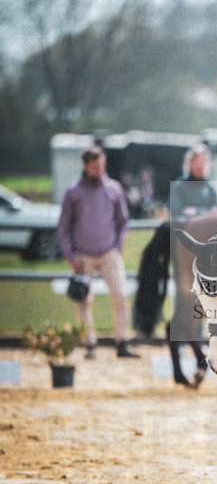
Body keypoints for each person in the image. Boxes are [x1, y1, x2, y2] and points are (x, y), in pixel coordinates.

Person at [57, 145, 139, 360]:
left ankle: (122, 342)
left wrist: (118, 245)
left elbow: (123, 221)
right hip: (82, 257)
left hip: (109, 253)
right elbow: (63, 226)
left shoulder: (114, 189)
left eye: (102, 165)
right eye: (95, 166)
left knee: (121, 295)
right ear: (85, 165)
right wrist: (70, 255)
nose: (99, 169)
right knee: (82, 301)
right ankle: (89, 344)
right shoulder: (73, 191)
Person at [170, 145, 217, 220]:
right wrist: (207, 212)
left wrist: (196, 211)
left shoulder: (210, 187)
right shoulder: (179, 185)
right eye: (197, 161)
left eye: (203, 162)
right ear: (190, 162)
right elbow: (176, 211)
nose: (200, 165)